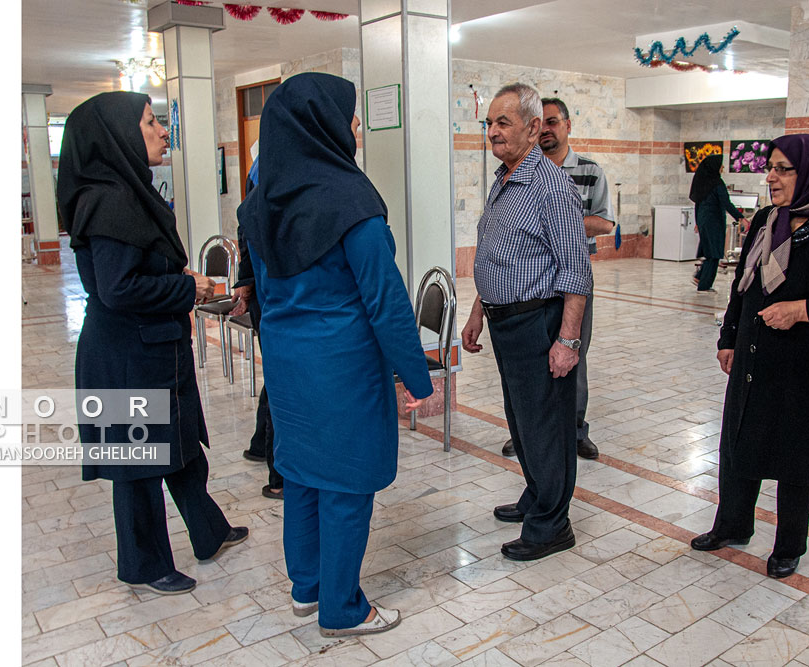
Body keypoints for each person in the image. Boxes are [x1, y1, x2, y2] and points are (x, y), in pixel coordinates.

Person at [237, 72, 433, 637]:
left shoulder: (261, 204)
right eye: (349, 115)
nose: (356, 127)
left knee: (300, 472)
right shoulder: (352, 201)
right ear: (319, 122)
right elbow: (387, 302)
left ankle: (308, 588)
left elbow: (264, 297)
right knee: (347, 482)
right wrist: (417, 378)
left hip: (287, 367)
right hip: (343, 369)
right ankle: (343, 608)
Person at [57, 92, 248, 596]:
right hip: (127, 356)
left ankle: (208, 531)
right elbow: (118, 289)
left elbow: (136, 270)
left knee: (182, 448)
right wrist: (191, 287)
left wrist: (176, 276)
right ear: (119, 136)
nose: (164, 132)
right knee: (138, 466)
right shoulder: (108, 201)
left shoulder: (127, 191)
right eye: (150, 123)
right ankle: (144, 564)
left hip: (151, 348)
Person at [690, 134, 809, 579]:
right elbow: (744, 287)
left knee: (798, 456)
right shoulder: (764, 222)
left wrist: (803, 311)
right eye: (769, 168)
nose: (771, 177)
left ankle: (790, 544)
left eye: (782, 169)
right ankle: (732, 526)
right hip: (755, 360)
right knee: (740, 444)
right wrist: (728, 338)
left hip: (806, 368)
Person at [461, 83, 592, 561]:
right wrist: (477, 311)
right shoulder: (504, 177)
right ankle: (537, 495)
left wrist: (568, 340)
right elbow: (501, 255)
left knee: (546, 426)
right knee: (522, 421)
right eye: (489, 123)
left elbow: (577, 270)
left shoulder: (550, 185)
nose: (492, 132)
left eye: (502, 123)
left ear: (534, 128)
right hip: (505, 322)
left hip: (539, 321)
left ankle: (553, 524)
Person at [501, 96, 614, 461]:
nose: (547, 129)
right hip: (529, 285)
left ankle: (574, 431)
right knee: (530, 366)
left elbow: (607, 224)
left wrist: (559, 222)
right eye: (541, 122)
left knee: (571, 354)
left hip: (572, 282)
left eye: (553, 122)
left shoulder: (590, 171)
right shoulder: (518, 171)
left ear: (567, 125)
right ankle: (526, 434)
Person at [232, 155, 285, 500]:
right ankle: (278, 474)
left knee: (277, 382)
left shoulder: (265, 172)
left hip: (268, 303)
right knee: (281, 385)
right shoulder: (276, 173)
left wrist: (246, 280)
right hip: (276, 307)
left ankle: (260, 446)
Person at [689, 154, 745, 292]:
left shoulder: (703, 183)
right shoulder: (717, 184)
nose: (723, 167)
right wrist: (740, 217)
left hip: (704, 221)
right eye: (721, 165)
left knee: (709, 252)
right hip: (713, 222)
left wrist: (697, 222)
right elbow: (726, 204)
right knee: (713, 254)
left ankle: (700, 277)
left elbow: (697, 204)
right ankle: (704, 285)